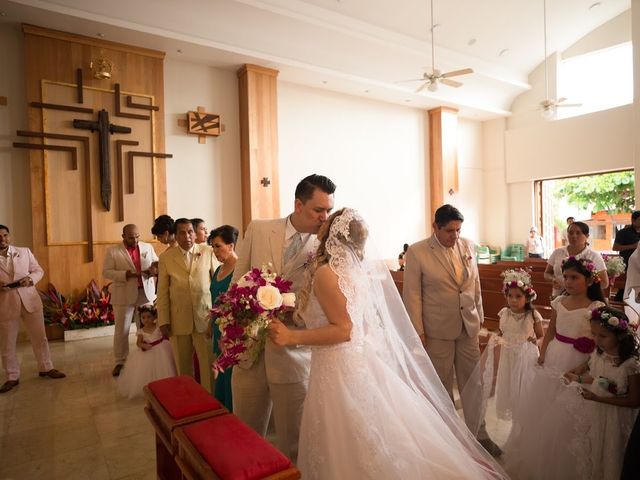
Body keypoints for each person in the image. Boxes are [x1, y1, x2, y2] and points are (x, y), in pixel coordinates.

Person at [267, 208, 507, 479]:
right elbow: (359, 324)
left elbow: (344, 330)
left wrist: (292, 337)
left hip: (338, 366)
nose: (321, 224)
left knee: (346, 436)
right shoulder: (354, 272)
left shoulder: (326, 273)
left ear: (332, 233)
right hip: (356, 360)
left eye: (326, 220)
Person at [231, 173, 335, 461]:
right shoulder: (260, 229)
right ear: (298, 205)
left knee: (294, 441)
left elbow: (322, 306)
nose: (324, 218)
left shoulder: (324, 248)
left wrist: (295, 314)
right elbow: (237, 281)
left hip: (292, 353)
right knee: (245, 435)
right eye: (319, 210)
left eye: (328, 210)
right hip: (250, 352)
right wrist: (238, 325)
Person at [402, 204, 501, 456]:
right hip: (436, 330)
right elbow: (412, 294)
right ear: (435, 227)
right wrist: (418, 332)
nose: (454, 236)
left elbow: (474, 284)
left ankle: (480, 433)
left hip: (467, 326)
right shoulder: (418, 251)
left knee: (473, 384)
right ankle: (448, 436)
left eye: (458, 230)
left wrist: (479, 317)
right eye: (449, 231)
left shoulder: (467, 245)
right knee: (441, 385)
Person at [504, 257, 606, 479]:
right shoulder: (559, 302)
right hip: (556, 354)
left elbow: (600, 340)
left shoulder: (596, 306)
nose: (568, 281)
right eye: (566, 276)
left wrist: (588, 364)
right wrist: (542, 354)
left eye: (574, 277)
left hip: (581, 359)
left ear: (589, 280)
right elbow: (550, 331)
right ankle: (545, 452)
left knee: (573, 408)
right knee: (547, 404)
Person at [562, 306, 640, 480]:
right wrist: (577, 379)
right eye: (594, 334)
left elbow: (635, 401)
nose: (596, 340)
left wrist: (598, 398)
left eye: (603, 336)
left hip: (617, 418)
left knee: (613, 454)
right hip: (597, 414)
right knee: (596, 450)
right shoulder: (598, 355)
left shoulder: (630, 364)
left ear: (620, 335)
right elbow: (596, 378)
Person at [0, 224, 65, 393]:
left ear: (9, 236)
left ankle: (46, 367)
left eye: (5, 235)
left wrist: (30, 280)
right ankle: (12, 376)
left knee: (40, 337)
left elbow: (38, 270)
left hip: (30, 300)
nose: (2, 239)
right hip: (6, 304)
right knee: (7, 343)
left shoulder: (24, 251)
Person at [156, 218, 217, 392]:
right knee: (183, 368)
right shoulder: (166, 257)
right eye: (182, 232)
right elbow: (162, 292)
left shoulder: (207, 252)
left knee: (208, 366)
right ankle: (190, 400)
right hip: (178, 320)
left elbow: (218, 284)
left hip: (204, 319)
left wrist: (216, 316)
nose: (187, 236)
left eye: (190, 231)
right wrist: (164, 320)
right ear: (176, 235)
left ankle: (210, 403)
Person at [103, 224, 159, 377]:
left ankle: (147, 356)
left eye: (137, 236)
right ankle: (120, 362)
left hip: (145, 293)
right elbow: (106, 272)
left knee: (147, 327)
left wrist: (154, 269)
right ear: (123, 237)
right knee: (122, 329)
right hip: (123, 295)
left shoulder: (147, 247)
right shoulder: (113, 251)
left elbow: (157, 262)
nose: (134, 240)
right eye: (130, 237)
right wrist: (125, 274)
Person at [208, 224, 239, 411]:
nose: (214, 250)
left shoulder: (240, 269)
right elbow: (214, 300)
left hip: (233, 334)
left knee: (230, 377)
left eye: (218, 246)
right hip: (218, 330)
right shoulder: (218, 270)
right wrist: (210, 324)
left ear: (231, 246)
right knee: (220, 374)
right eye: (212, 246)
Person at [117, 305, 176, 399]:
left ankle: (164, 387)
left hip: (161, 349)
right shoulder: (141, 331)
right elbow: (138, 343)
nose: (146, 320)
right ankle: (152, 389)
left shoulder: (158, 327)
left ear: (154, 317)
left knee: (163, 368)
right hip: (147, 352)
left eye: (149, 317)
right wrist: (143, 345)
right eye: (143, 317)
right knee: (148, 371)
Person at [545, 220, 609, 298]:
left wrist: (583, 287)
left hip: (584, 299)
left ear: (587, 236)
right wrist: (553, 279)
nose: (574, 236)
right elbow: (547, 273)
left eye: (578, 233)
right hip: (558, 296)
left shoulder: (594, 256)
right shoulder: (557, 252)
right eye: (571, 233)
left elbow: (604, 283)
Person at [612, 211, 640, 301]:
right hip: (626, 265)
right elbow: (615, 247)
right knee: (622, 289)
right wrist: (633, 246)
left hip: (639, 266)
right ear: (633, 220)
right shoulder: (623, 232)